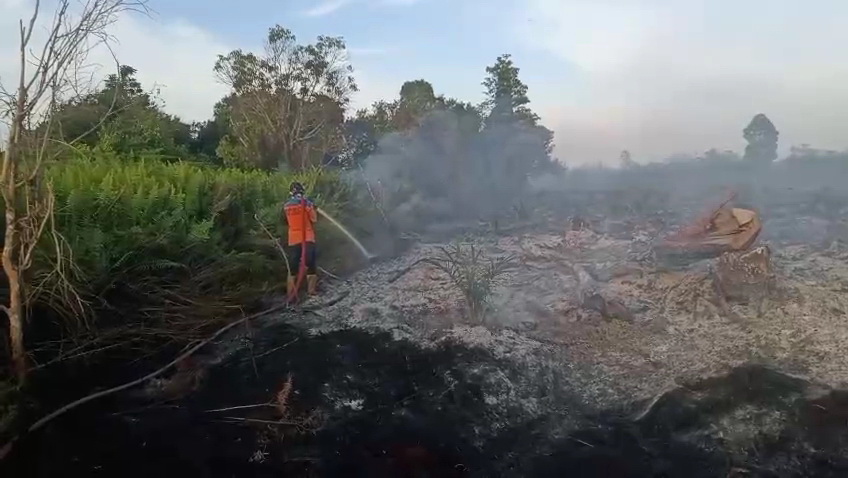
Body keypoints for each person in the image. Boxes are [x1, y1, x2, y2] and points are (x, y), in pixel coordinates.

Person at [284, 181, 318, 298]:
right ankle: (311, 293)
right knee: (311, 266)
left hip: (293, 240)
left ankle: (290, 296)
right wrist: (312, 207)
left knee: (292, 269)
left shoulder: (287, 206)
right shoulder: (307, 204)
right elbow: (314, 219)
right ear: (302, 192)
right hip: (307, 238)